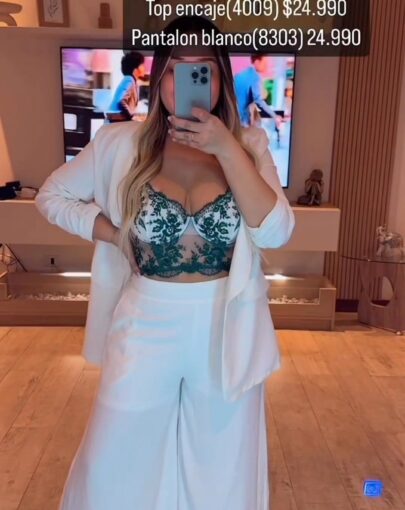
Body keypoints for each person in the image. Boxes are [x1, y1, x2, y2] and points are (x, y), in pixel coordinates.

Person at [35, 15, 295, 510]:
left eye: (203, 68)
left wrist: (226, 149)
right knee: (114, 458)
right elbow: (51, 197)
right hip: (144, 320)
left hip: (227, 325)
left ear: (220, 78)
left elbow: (277, 231)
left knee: (222, 470)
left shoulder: (250, 147)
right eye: (176, 68)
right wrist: (114, 235)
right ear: (158, 76)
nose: (187, 80)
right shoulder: (120, 144)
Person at [234, 54, 282, 128]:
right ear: (257, 62)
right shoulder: (255, 77)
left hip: (233, 117)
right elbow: (259, 101)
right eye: (264, 63)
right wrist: (275, 116)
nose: (266, 66)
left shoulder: (241, 74)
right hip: (241, 119)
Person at [106, 51, 145, 122]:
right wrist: (132, 116)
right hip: (115, 121)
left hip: (119, 121)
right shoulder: (129, 80)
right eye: (142, 65)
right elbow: (122, 101)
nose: (144, 68)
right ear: (135, 68)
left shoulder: (134, 82)